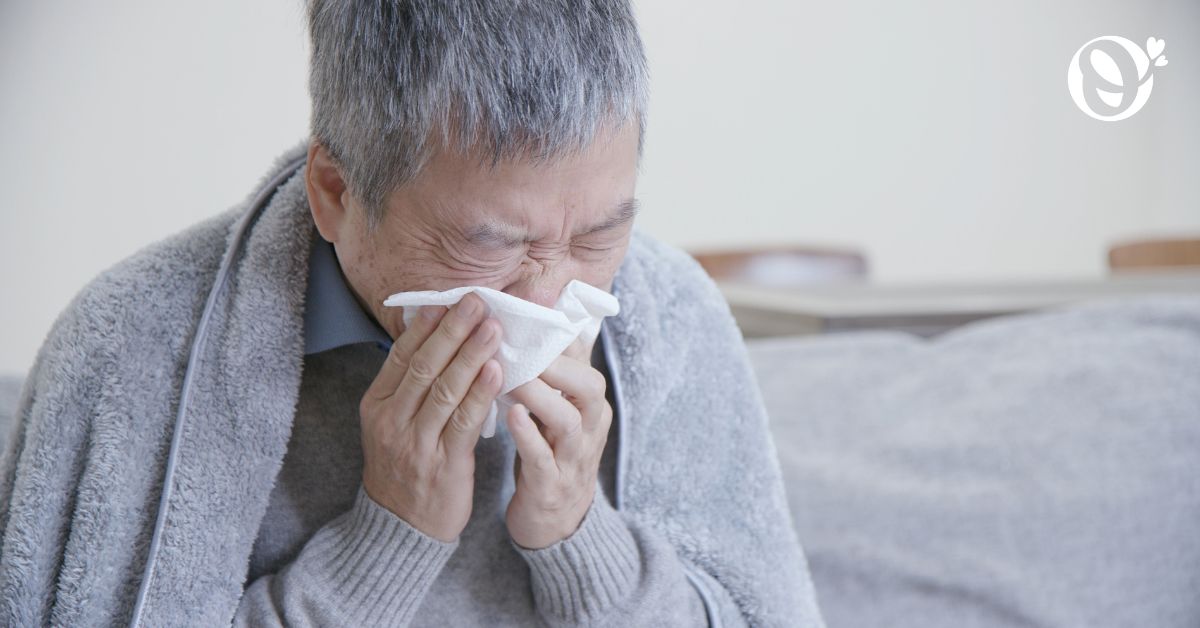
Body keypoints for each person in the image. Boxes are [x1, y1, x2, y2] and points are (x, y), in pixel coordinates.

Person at [0, 1, 826, 626]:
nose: (546, 301)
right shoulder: (133, 349)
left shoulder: (672, 321)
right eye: (490, 244)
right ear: (335, 193)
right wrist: (384, 543)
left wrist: (583, 538)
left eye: (601, 234)